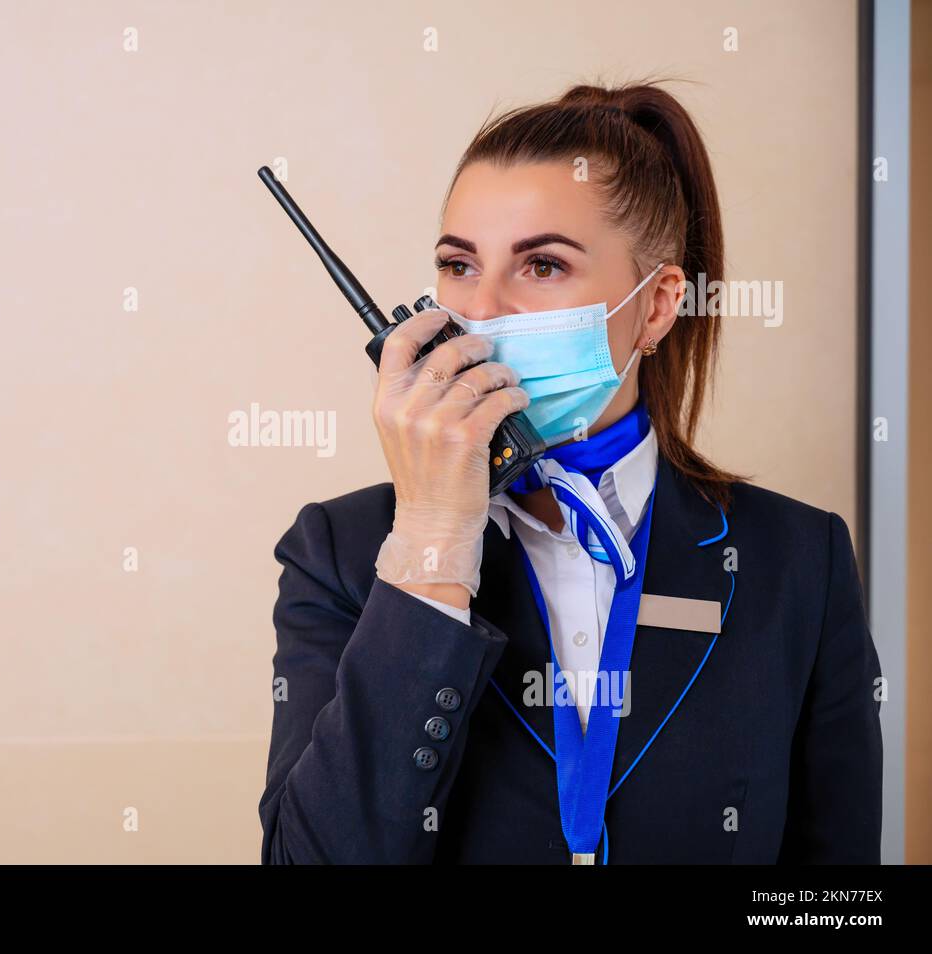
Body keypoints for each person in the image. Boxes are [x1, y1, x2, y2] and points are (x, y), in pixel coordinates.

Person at [259, 82, 883, 864]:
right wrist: (432, 537)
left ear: (656, 307)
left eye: (543, 265)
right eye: (458, 265)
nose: (479, 312)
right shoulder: (340, 551)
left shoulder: (800, 559)